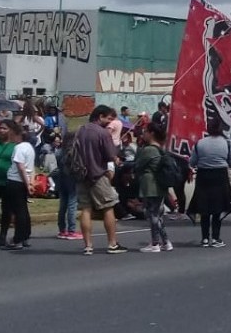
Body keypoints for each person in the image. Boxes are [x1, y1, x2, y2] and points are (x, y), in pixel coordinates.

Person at [74, 105, 128, 255]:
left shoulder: (80, 130)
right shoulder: (103, 133)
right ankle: (112, 244)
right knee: (108, 207)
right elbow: (110, 155)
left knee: (85, 209)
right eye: (109, 118)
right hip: (98, 174)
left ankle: (88, 245)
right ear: (100, 117)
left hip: (81, 174)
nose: (110, 122)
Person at [189, 121, 231, 247]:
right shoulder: (226, 143)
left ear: (208, 129)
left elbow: (192, 162)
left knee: (204, 208)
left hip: (203, 177)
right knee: (218, 208)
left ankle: (204, 238)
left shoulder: (200, 143)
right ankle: (216, 238)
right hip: (220, 177)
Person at [135, 123, 173, 252]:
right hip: (160, 185)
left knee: (152, 215)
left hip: (151, 186)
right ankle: (166, 242)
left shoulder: (149, 150)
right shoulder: (161, 149)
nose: (143, 134)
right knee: (158, 215)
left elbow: (138, 165)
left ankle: (155, 243)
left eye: (145, 131)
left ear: (151, 133)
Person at [0, 122, 34, 250]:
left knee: (17, 211)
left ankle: (17, 239)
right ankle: (25, 236)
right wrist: (30, 182)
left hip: (15, 181)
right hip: (23, 181)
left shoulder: (19, 148)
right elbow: (29, 168)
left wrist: (26, 182)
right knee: (23, 210)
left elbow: (21, 167)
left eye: (13, 135)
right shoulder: (29, 147)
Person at [52, 133, 82, 241]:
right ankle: (71, 230)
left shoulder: (59, 152)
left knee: (63, 205)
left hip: (61, 179)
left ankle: (62, 229)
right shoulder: (74, 153)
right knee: (72, 205)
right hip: (71, 179)